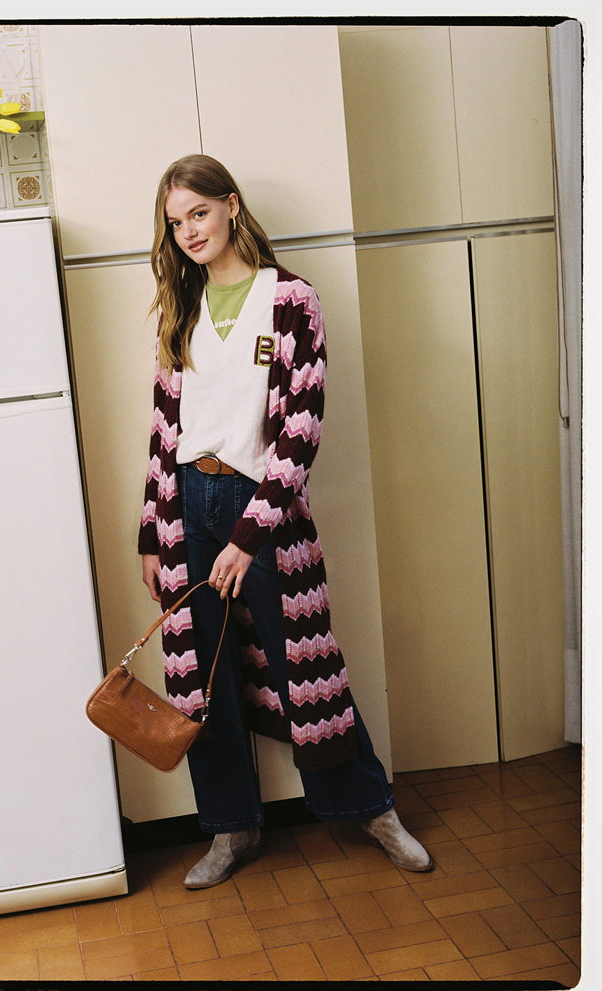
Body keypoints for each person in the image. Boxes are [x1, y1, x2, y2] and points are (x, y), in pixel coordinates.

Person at [138, 153, 434, 889]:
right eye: (176, 223)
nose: (189, 232)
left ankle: (371, 809)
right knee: (201, 678)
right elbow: (163, 430)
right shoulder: (181, 305)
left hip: (262, 508)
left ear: (231, 206)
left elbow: (301, 429)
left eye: (199, 213)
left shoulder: (291, 300)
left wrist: (248, 537)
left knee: (306, 664)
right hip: (186, 506)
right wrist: (151, 533)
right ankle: (230, 828)